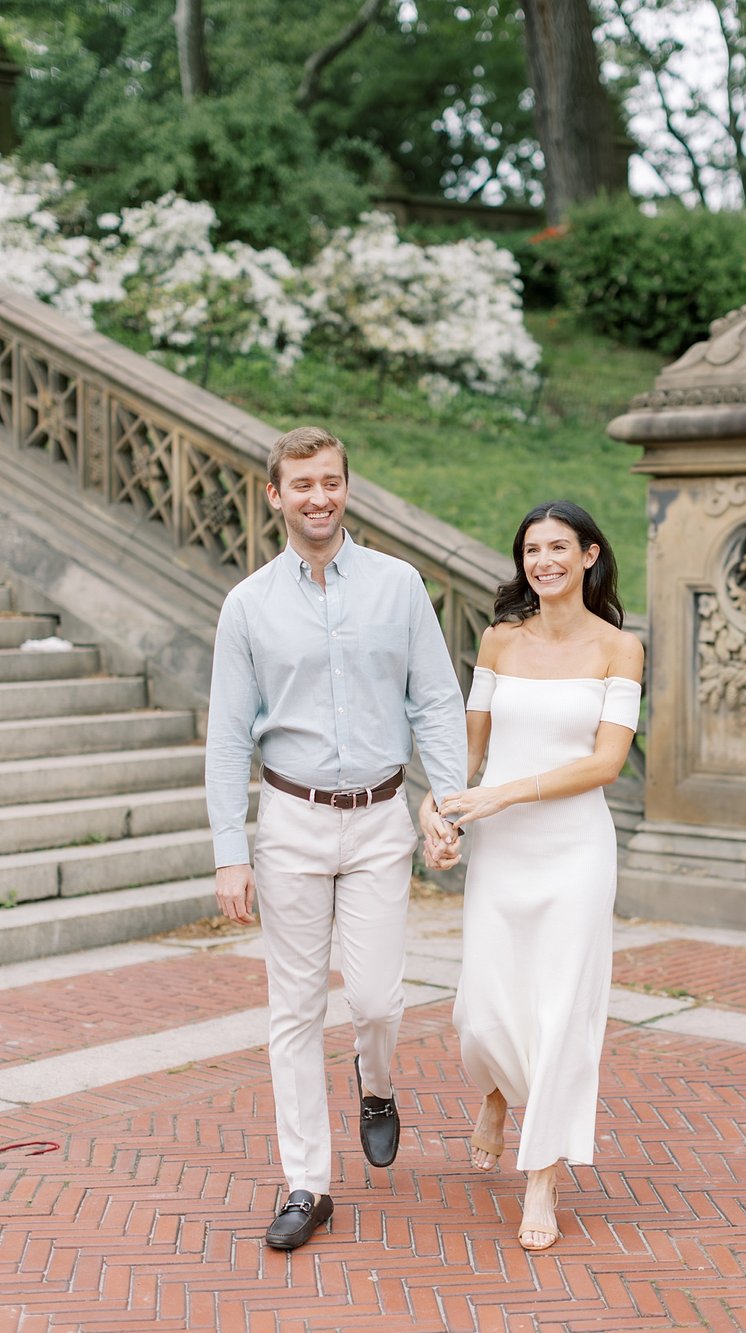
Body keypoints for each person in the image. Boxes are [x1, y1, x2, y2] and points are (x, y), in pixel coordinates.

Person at [206, 425, 465, 1252]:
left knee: (380, 1000)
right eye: (302, 484)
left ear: (347, 488)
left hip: (381, 818)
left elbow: (435, 700)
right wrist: (229, 850)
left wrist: (449, 806)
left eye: (332, 482)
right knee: (294, 1008)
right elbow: (226, 738)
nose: (319, 497)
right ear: (275, 495)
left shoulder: (399, 585)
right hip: (290, 821)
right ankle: (307, 1183)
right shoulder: (248, 605)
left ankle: (377, 1081)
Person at [421, 500, 643, 1252]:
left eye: (558, 547)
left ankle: (541, 1176)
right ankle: (493, 1090)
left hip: (575, 853)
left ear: (589, 555)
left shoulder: (621, 648)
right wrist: (441, 807)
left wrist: (499, 795)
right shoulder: (498, 641)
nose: (543, 560)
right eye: (531, 549)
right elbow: (466, 752)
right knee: (479, 1009)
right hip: (502, 849)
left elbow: (605, 764)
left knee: (560, 1014)